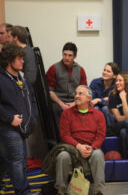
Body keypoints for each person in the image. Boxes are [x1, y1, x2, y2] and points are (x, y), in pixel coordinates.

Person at [53, 85, 106, 195]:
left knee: (98, 155)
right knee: (62, 156)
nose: (76, 96)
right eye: (76, 93)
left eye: (80, 94)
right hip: (72, 148)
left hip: (91, 148)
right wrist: (78, 146)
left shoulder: (99, 115)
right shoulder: (66, 113)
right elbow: (65, 135)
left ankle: (98, 190)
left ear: (89, 97)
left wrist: (91, 148)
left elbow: (100, 136)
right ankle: (61, 190)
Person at [0, 43, 38, 195]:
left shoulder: (23, 78)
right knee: (17, 161)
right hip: (7, 126)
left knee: (6, 160)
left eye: (22, 58)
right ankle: (23, 192)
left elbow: (32, 100)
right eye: (19, 59)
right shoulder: (1, 78)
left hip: (24, 127)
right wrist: (10, 118)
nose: (23, 62)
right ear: (9, 61)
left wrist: (33, 118)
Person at [46, 42, 87, 130]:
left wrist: (74, 103)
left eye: (70, 55)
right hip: (57, 101)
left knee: (84, 110)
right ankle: (60, 141)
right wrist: (61, 104)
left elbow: (84, 91)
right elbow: (50, 91)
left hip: (75, 101)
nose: (67, 58)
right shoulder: (53, 69)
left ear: (75, 56)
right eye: (65, 55)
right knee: (56, 111)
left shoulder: (80, 70)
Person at [108, 72, 128, 158]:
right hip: (116, 126)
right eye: (116, 80)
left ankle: (127, 157)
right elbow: (119, 118)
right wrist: (123, 100)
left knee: (124, 133)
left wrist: (124, 100)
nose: (117, 83)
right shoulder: (113, 96)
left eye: (120, 80)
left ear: (126, 82)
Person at [90, 62, 120, 131]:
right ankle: (96, 131)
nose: (105, 72)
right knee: (96, 108)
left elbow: (114, 103)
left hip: (111, 111)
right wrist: (105, 99)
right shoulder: (95, 82)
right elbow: (91, 99)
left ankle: (110, 132)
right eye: (104, 70)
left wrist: (99, 100)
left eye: (108, 71)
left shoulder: (117, 86)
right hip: (96, 107)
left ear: (114, 76)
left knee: (105, 108)